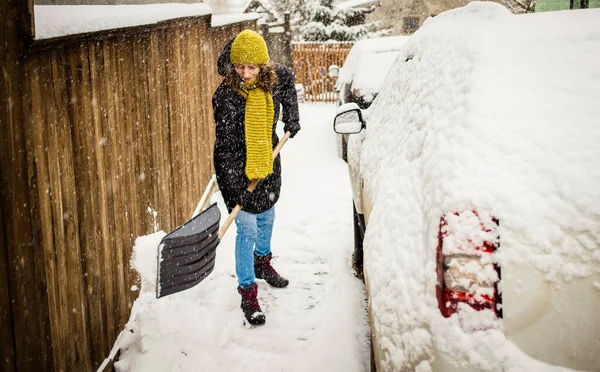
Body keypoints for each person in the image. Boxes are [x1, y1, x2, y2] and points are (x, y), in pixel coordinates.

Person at [212, 29, 300, 326]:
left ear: (263, 65)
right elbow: (224, 150)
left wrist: (292, 115)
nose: (246, 73)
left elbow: (288, 81)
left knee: (268, 217)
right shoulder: (225, 96)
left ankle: (262, 263)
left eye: (252, 67)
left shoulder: (273, 80)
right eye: (240, 66)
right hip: (235, 167)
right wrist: (236, 189)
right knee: (247, 227)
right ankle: (248, 290)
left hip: (267, 159)